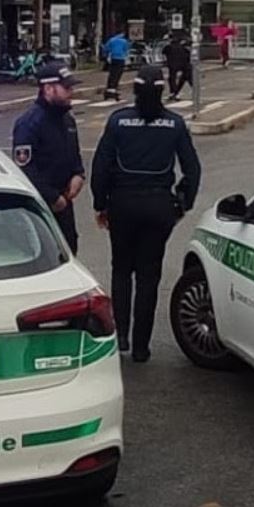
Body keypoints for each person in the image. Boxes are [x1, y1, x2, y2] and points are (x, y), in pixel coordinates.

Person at [91, 65, 202, 363]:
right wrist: (182, 203)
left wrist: (100, 203)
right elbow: (192, 169)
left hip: (122, 204)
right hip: (159, 206)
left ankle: (122, 337)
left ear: (136, 89)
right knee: (149, 275)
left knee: (121, 270)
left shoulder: (118, 121)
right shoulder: (174, 124)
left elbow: (101, 166)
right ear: (162, 91)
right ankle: (142, 346)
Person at [12, 61, 87, 254]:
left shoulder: (67, 120)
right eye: (66, 88)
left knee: (69, 250)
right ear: (48, 89)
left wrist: (78, 175)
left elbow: (73, 156)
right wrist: (52, 197)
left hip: (65, 202)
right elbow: (24, 168)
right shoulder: (30, 123)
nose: (71, 92)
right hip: (41, 206)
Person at [103, 31, 131, 101]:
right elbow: (126, 50)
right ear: (121, 34)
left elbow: (106, 48)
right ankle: (114, 89)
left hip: (113, 59)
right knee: (118, 75)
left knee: (112, 74)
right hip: (121, 59)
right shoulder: (124, 41)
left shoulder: (111, 40)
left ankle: (109, 89)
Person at [164, 36, 192, 101]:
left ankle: (174, 93)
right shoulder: (183, 48)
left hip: (173, 65)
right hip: (184, 65)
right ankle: (176, 93)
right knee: (185, 78)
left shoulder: (168, 47)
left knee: (172, 79)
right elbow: (188, 55)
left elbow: (164, 53)